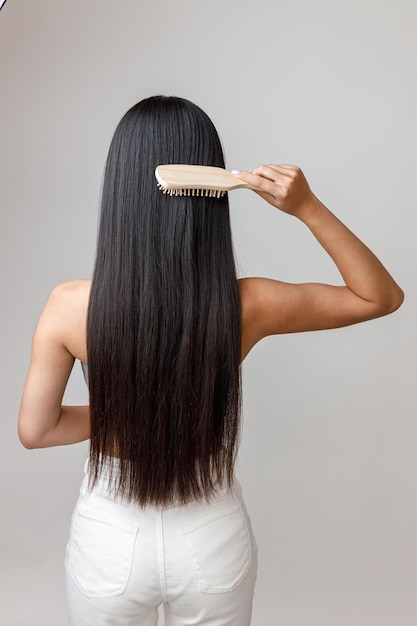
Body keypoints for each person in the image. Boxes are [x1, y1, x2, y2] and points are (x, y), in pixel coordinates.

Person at [18, 95, 403, 626]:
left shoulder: (68, 307)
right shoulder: (248, 305)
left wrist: (122, 413)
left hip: (109, 539)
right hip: (210, 533)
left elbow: (36, 430)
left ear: (120, 189)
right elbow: (378, 297)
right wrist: (307, 206)